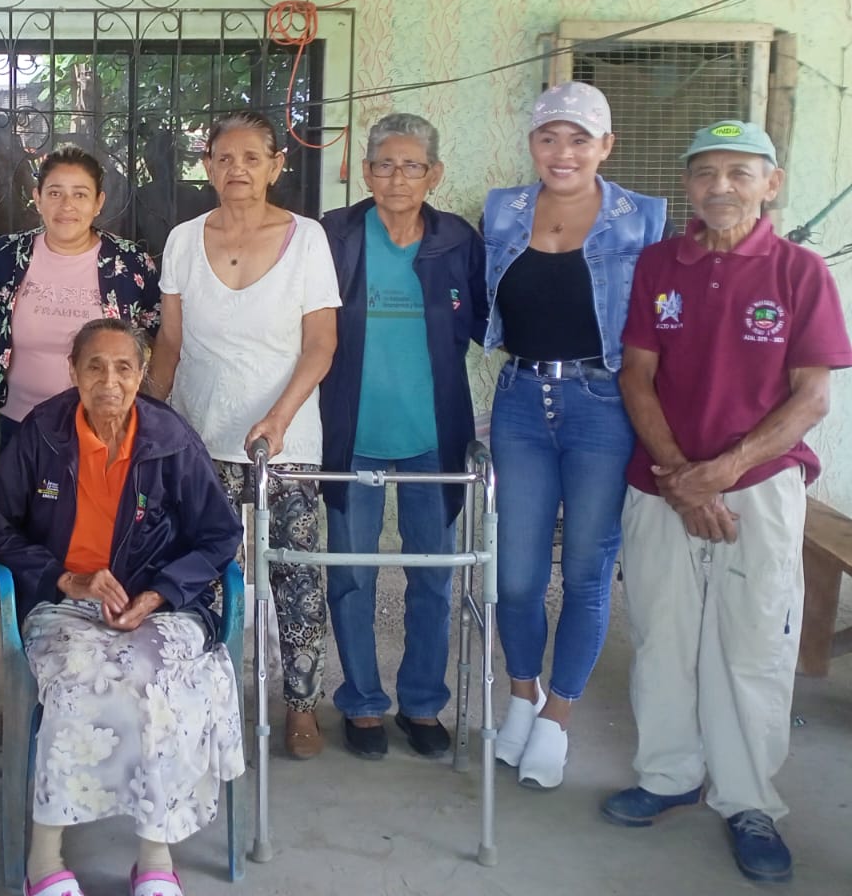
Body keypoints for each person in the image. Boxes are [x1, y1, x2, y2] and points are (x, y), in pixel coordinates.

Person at [602, 121, 849, 884]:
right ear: (687, 185)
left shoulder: (800, 272)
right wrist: (683, 476)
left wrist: (723, 473)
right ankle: (669, 775)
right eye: (705, 173)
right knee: (664, 635)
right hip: (661, 482)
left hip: (761, 489)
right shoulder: (659, 265)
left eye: (740, 173)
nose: (721, 187)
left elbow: (812, 398)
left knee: (751, 645)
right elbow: (636, 374)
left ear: (771, 184)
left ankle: (748, 801)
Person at [0, 319, 245, 896]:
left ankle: (154, 858)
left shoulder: (170, 439)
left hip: (162, 607)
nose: (109, 380)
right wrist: (65, 578)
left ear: (141, 374)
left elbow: (220, 536)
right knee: (79, 680)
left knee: (158, 681)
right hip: (63, 604)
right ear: (73, 372)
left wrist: (159, 592)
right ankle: (44, 860)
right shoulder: (41, 434)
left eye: (124, 368)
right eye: (94, 366)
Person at [482, 82, 666, 789]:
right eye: (549, 137)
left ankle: (558, 717)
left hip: (603, 404)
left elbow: (661, 323)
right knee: (518, 573)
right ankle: (522, 696)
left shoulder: (641, 218)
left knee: (588, 569)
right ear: (532, 143)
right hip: (521, 401)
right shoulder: (504, 210)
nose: (563, 153)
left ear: (605, 146)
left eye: (580, 139)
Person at [149, 109, 341, 759]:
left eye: (252, 158)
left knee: (295, 576)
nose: (238, 169)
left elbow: (321, 343)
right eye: (224, 158)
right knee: (200, 573)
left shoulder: (307, 239)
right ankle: (208, 695)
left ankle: (301, 707)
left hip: (285, 442)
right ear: (207, 166)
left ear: (276, 166)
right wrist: (148, 418)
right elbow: (170, 342)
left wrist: (280, 418)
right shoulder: (183, 240)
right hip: (198, 439)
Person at [318, 113, 488, 761]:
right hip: (351, 434)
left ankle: (422, 702)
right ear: (365, 172)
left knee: (433, 576)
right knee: (351, 575)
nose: (397, 177)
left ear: (434, 175)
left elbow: (483, 320)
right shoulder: (335, 235)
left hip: (432, 436)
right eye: (385, 164)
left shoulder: (456, 240)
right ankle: (362, 703)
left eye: (412, 165)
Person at [0, 143, 160, 451]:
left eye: (80, 194)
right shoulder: (7, 255)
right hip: (20, 425)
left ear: (98, 202)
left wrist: (148, 403)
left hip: (104, 427)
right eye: (55, 193)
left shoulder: (129, 263)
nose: (67, 205)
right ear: (37, 198)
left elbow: (161, 333)